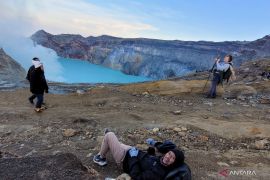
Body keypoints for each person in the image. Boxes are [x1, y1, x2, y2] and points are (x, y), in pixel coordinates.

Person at [93, 131, 185, 180]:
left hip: (124, 160)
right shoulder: (161, 160)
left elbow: (136, 176)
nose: (168, 157)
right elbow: (150, 162)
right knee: (116, 142)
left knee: (110, 135)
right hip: (132, 152)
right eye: (169, 153)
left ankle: (101, 158)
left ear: (174, 163)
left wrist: (133, 157)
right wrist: (151, 153)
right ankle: (107, 144)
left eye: (172, 158)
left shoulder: (158, 173)